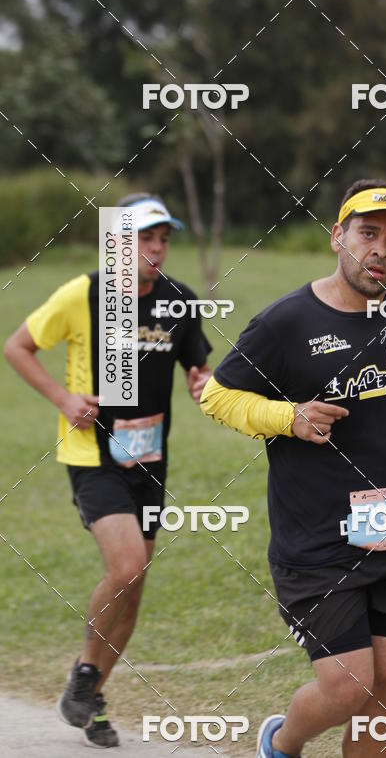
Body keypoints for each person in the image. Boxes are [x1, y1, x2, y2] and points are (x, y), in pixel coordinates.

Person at [200, 178, 386, 758]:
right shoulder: (286, 322)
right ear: (338, 236)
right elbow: (217, 395)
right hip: (317, 542)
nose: (382, 249)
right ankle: (281, 742)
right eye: (368, 233)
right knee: (349, 685)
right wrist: (290, 416)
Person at [4, 193, 212, 748]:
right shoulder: (84, 294)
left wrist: (201, 382)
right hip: (92, 454)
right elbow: (18, 346)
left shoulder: (178, 301)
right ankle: (84, 679)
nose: (157, 248)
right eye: (145, 237)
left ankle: (90, 696)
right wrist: (64, 398)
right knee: (127, 566)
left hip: (149, 459)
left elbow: (199, 366)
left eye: (164, 238)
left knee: (135, 588)